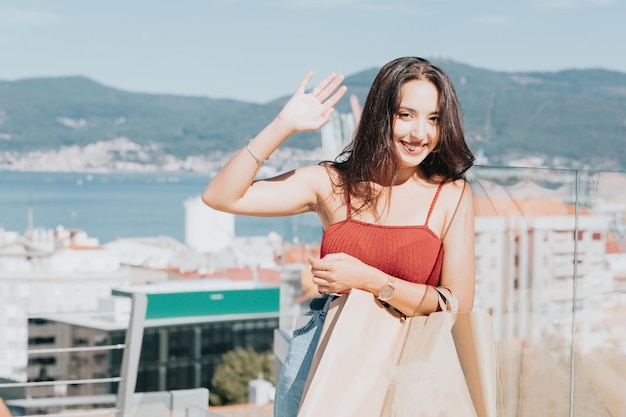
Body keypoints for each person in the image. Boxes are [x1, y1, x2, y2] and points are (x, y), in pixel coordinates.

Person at [202, 56, 476, 416]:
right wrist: (282, 126)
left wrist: (371, 281)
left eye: (434, 119)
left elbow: (456, 303)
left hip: (404, 374)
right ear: (382, 115)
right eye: (405, 115)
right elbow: (221, 196)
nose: (419, 133)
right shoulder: (332, 183)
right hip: (322, 364)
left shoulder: (452, 195)